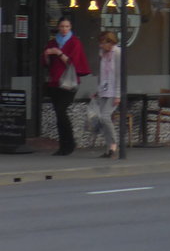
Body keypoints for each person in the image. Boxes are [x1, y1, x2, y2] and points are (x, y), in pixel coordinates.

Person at [44, 16, 91, 156]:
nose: (64, 29)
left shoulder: (75, 42)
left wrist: (59, 53)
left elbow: (73, 63)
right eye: (62, 27)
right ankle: (63, 145)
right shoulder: (52, 42)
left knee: (61, 110)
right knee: (58, 114)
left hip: (69, 83)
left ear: (70, 28)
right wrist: (47, 54)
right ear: (58, 27)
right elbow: (46, 63)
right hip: (55, 81)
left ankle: (69, 143)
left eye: (67, 27)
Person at [91, 31, 121, 158]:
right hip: (104, 89)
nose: (101, 46)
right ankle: (109, 147)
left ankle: (114, 144)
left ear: (110, 42)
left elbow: (119, 75)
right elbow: (102, 73)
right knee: (101, 119)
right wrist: (98, 90)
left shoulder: (117, 53)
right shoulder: (102, 54)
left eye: (103, 43)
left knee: (105, 117)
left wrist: (118, 94)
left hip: (114, 91)